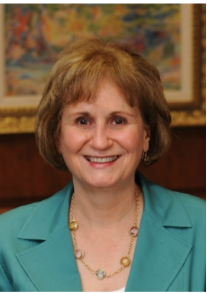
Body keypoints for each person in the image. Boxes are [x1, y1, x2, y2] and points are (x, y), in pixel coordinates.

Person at [0, 36, 205, 292]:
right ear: (57, 136)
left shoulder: (202, 227)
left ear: (145, 134)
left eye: (118, 120)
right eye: (83, 121)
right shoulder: (5, 240)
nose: (100, 141)